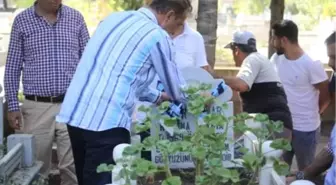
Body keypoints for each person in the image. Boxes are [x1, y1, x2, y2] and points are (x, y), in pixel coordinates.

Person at [55, 0, 192, 184]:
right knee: (107, 180)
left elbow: (124, 76)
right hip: (106, 122)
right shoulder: (157, 35)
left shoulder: (114, 19)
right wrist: (201, 97)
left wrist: (159, 97)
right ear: (169, 15)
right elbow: (178, 92)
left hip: (76, 115)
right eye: (177, 25)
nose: (174, 32)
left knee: (86, 178)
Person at [4, 0, 89, 184]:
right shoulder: (22, 21)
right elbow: (12, 67)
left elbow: (89, 62)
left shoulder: (76, 18)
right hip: (37, 107)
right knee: (36, 167)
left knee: (72, 168)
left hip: (71, 106)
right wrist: (12, 105)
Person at [134, 21, 212, 161]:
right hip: (149, 110)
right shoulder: (150, 35)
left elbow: (201, 73)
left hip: (183, 115)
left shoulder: (195, 38)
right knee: (147, 163)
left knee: (180, 163)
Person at [270, 20, 330, 171]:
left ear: (283, 40)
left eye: (274, 39)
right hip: (282, 128)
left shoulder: (311, 64)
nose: (272, 43)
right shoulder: (276, 60)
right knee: (279, 171)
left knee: (306, 172)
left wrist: (315, 113)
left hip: (306, 131)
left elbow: (326, 96)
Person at [286, 31, 336, 185]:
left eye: (335, 57)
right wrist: (298, 177)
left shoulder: (309, 64)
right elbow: (330, 152)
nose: (330, 63)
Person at [223, 30, 293, 140]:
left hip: (271, 125)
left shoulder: (252, 59)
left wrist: (215, 78)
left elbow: (241, 84)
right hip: (279, 126)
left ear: (236, 50)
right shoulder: (260, 59)